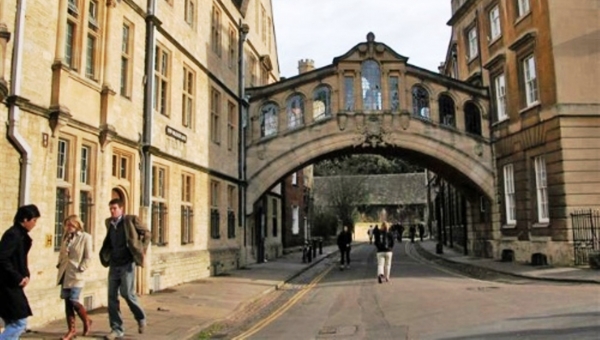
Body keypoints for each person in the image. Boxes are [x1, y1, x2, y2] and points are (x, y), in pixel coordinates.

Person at [99, 199, 150, 340]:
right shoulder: (109, 223)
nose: (112, 211)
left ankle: (141, 318)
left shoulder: (130, 220)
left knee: (127, 293)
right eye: (110, 209)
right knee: (111, 297)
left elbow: (147, 233)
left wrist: (142, 249)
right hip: (114, 264)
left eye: (114, 208)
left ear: (121, 208)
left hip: (127, 263)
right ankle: (116, 329)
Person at [0, 204, 41, 340]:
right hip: (7, 284)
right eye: (33, 220)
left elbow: (20, 259)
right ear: (25, 219)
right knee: (19, 322)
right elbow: (2, 258)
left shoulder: (21, 235)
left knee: (12, 321)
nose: (35, 224)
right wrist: (18, 277)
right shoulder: (13, 234)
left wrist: (26, 275)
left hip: (13, 283)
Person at [56, 215, 93, 340]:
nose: (69, 227)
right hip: (65, 273)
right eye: (67, 225)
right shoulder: (65, 238)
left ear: (77, 225)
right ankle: (71, 330)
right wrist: (59, 263)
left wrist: (81, 268)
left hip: (76, 274)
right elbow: (62, 253)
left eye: (72, 225)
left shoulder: (85, 237)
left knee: (74, 300)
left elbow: (88, 256)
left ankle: (86, 320)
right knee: (67, 302)